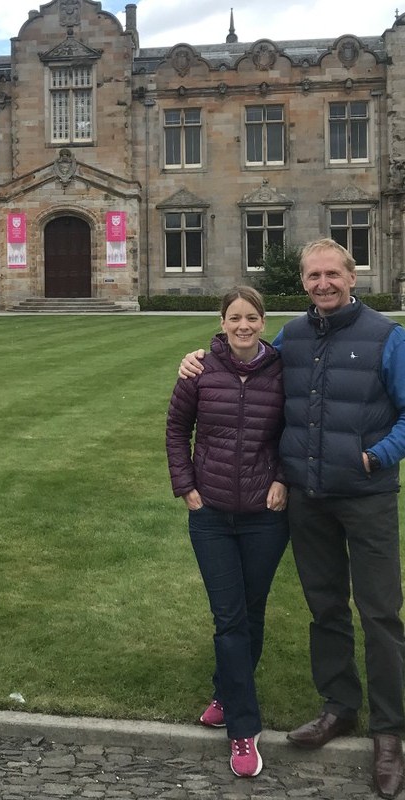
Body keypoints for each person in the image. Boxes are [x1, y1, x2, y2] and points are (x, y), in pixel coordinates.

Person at [179, 239, 405, 800]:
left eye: (333, 274)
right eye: (313, 276)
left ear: (352, 277)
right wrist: (201, 356)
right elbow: (245, 357)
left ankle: (389, 733)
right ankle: (338, 708)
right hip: (307, 498)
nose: (323, 283)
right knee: (325, 608)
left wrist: (379, 455)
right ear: (304, 282)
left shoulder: (387, 336)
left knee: (379, 613)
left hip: (367, 494)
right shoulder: (294, 336)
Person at [166, 286, 289, 778]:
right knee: (229, 617)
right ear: (221, 322)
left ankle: (225, 690)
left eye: (252, 318)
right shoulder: (198, 370)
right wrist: (186, 487)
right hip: (212, 515)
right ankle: (244, 728)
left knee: (251, 612)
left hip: (265, 514)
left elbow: (293, 431)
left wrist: (281, 477)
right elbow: (177, 430)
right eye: (234, 317)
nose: (243, 326)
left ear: (263, 322)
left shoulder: (282, 370)